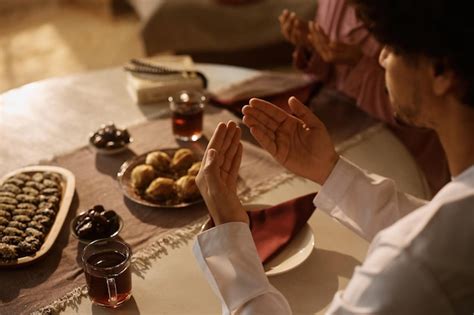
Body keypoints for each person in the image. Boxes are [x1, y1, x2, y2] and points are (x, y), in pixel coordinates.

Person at [192, 0, 474, 313]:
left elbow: (429, 244)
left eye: (391, 48)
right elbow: (445, 223)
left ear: (441, 71)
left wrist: (228, 234)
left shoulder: (412, 266)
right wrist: (331, 170)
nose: (381, 58)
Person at [279, 0, 450, 195]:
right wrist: (313, 49)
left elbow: (416, 104)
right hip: (346, 136)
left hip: (408, 158)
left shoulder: (406, 16)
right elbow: (332, 78)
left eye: (392, 51)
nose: (383, 58)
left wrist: (359, 64)